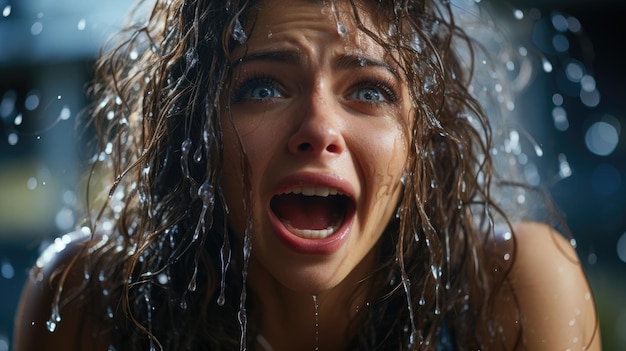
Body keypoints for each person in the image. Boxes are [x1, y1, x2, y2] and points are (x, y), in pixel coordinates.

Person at [13, 0, 600, 350]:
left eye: (369, 91)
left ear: (420, 145)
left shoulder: (509, 296)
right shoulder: (88, 303)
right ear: (197, 135)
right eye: (263, 87)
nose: (319, 127)